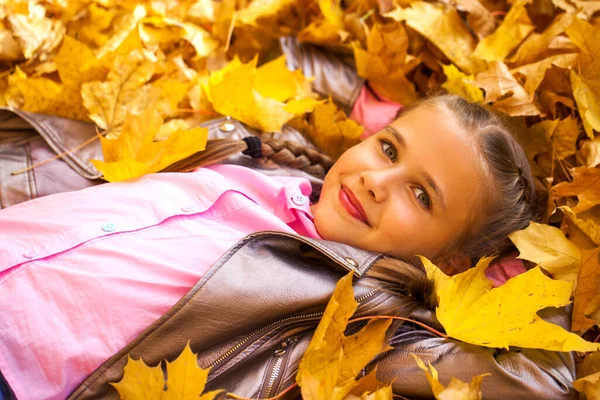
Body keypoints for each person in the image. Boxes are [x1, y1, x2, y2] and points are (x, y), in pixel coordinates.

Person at [0, 93, 577, 400]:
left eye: (421, 196)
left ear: (451, 261)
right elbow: (305, 57)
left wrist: (541, 264)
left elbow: (537, 384)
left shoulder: (358, 313)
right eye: (390, 149)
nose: (378, 180)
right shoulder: (268, 160)